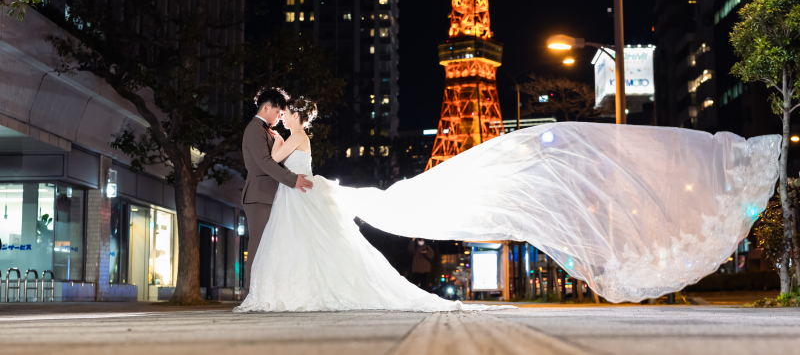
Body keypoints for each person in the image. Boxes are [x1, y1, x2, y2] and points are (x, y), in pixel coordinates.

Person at [236, 91, 781, 311]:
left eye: (281, 112)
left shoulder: (286, 135)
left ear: (289, 115)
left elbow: (275, 158)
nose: (278, 116)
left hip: (302, 194)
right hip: (303, 196)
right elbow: (276, 158)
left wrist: (275, 138)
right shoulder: (287, 134)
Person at [240, 87, 313, 291]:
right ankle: (251, 293)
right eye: (278, 112)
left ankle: (265, 291)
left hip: (272, 195)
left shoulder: (268, 131)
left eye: (283, 113)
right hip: (259, 195)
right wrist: (292, 179)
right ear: (266, 107)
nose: (280, 117)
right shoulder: (254, 129)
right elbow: (264, 162)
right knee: (258, 245)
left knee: (270, 246)